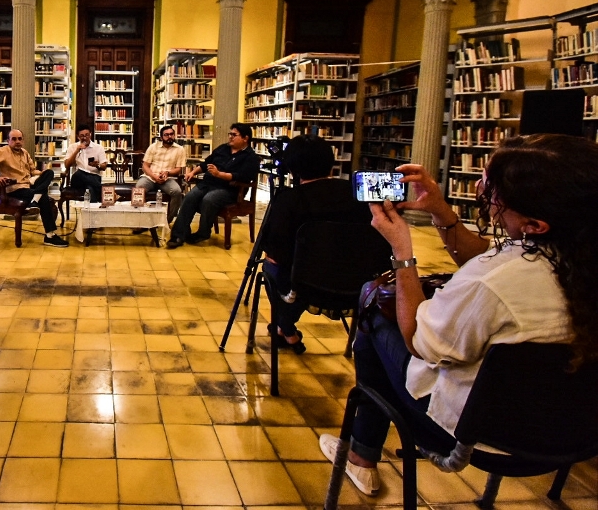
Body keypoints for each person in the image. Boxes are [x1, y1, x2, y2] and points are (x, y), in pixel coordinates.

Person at [320, 134, 598, 497]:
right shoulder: (575, 252)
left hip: (480, 437)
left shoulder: (493, 282)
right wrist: (440, 211)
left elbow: (417, 341)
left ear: (534, 225)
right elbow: (486, 255)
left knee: (372, 304)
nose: (482, 192)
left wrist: (402, 251)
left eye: (493, 192)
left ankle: (362, 454)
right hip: (576, 432)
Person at [260, 134, 370, 353]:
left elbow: (276, 252)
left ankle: (287, 329)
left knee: (272, 266)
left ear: (292, 168)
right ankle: (285, 330)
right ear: (330, 162)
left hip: (303, 287)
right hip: (356, 286)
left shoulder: (288, 200)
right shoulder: (359, 195)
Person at [166, 123, 260, 249]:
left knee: (209, 199)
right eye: (230, 134)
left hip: (229, 189)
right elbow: (206, 164)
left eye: (234, 135)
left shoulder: (251, 157)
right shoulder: (223, 149)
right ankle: (178, 235)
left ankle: (203, 233)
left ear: (245, 138)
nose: (230, 137)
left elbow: (242, 177)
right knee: (189, 197)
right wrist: (193, 172)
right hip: (208, 184)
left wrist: (219, 174)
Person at [0, 129, 68, 247]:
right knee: (44, 198)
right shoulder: (3, 151)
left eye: (20, 139)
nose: (17, 141)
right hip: (14, 189)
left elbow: (32, 171)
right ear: (8, 141)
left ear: (23, 140)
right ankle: (50, 236)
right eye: (14, 139)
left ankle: (35, 199)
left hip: (28, 185)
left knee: (49, 173)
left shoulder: (25, 153)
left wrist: (43, 174)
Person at [135, 125, 187, 219]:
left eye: (171, 134)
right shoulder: (153, 147)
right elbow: (145, 166)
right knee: (139, 189)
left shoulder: (180, 149)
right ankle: (140, 219)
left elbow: (178, 169)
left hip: (168, 178)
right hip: (150, 177)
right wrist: (154, 176)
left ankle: (168, 219)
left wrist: (167, 173)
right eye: (166, 135)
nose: (169, 136)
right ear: (161, 137)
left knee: (177, 191)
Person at [63, 123, 108, 203]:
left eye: (87, 135)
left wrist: (97, 165)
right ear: (78, 137)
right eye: (82, 136)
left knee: (90, 189)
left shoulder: (98, 148)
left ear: (90, 134)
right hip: (77, 180)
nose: (85, 138)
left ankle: (91, 210)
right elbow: (67, 165)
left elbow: (104, 166)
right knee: (79, 173)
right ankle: (104, 190)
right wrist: (77, 151)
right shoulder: (72, 147)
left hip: (94, 177)